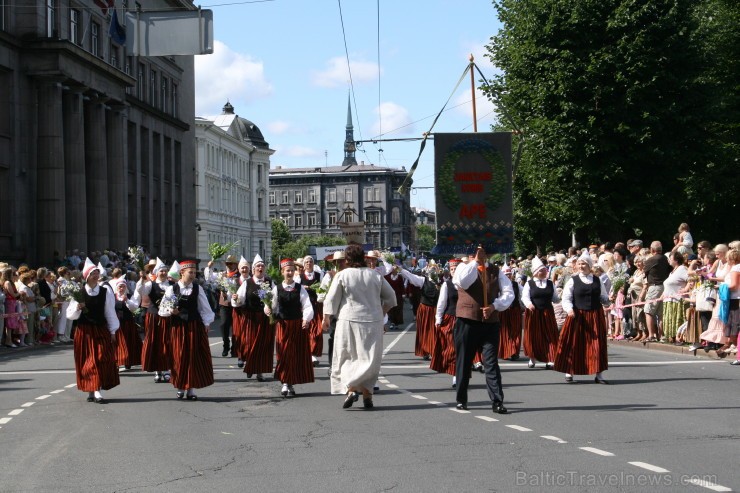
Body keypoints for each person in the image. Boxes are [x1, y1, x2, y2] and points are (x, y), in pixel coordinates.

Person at [322, 244, 397, 409]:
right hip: (373, 321)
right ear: (363, 258)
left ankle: (351, 389)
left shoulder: (343, 275)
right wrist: (381, 311)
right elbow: (391, 297)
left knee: (347, 356)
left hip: (348, 320)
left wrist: (326, 317)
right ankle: (367, 396)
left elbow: (331, 299)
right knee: (370, 358)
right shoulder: (375, 275)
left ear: (348, 259)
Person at [452, 246, 514, 414]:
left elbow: (509, 293)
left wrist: (495, 305)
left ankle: (497, 400)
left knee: (491, 362)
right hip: (467, 320)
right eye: (478, 251)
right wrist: (476, 262)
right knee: (464, 361)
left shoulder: (496, 271)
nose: (482, 254)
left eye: (484, 252)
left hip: (490, 322)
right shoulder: (463, 267)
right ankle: (461, 398)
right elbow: (463, 282)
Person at [159, 260, 215, 400]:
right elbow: (162, 309)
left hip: (193, 326)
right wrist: (171, 310)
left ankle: (190, 389)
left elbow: (205, 307)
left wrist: (207, 322)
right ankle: (180, 386)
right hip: (178, 328)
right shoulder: (172, 289)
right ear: (182, 273)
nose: (193, 275)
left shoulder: (197, 288)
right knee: (179, 356)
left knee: (192, 357)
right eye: (190, 272)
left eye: (195, 272)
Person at [66, 258, 120, 403]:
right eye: (93, 273)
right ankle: (93, 390)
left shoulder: (105, 291)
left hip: (100, 329)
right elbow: (70, 315)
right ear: (87, 276)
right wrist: (77, 308)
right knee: (87, 361)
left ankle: (97, 389)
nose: (96, 276)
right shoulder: (79, 292)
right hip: (84, 331)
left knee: (101, 358)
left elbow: (109, 311)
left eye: (97, 273)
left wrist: (113, 331)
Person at [554, 251, 610, 384]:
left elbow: (603, 296)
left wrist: (607, 301)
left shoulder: (597, 280)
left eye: (583, 263)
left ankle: (599, 374)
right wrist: (569, 310)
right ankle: (569, 371)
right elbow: (566, 298)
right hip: (577, 315)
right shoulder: (573, 280)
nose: (581, 266)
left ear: (590, 265)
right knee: (574, 344)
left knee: (597, 345)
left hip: (595, 315)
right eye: (579, 263)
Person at [264, 258, 314, 398]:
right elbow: (271, 305)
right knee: (283, 353)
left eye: (292, 270)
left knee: (294, 354)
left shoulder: (300, 288)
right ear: (283, 272)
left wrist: (306, 319)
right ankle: (285, 382)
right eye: (287, 270)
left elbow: (307, 305)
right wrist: (267, 309)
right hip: (283, 325)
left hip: (297, 324)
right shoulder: (277, 288)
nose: (290, 273)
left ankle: (290, 381)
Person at [231, 254, 274, 382]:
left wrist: (271, 307)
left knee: (263, 345)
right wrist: (236, 299)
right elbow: (240, 300)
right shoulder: (247, 283)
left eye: (262, 266)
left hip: (265, 318)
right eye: (258, 266)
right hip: (250, 318)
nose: (260, 268)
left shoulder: (270, 282)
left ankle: (260, 371)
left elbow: (275, 297)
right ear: (254, 269)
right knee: (250, 344)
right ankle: (250, 366)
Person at [522, 256, 560, 369]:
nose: (544, 272)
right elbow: (525, 297)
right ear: (536, 272)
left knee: (550, 335)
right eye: (542, 270)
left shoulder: (549, 283)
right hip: (534, 313)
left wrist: (559, 296)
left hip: (547, 313)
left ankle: (550, 358)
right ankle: (532, 357)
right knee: (534, 336)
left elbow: (555, 298)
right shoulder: (529, 284)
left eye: (544, 270)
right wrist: (529, 305)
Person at [139, 259, 173, 383]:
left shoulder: (171, 284)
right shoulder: (150, 284)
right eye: (161, 271)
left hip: (168, 316)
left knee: (167, 341)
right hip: (154, 316)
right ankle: (157, 371)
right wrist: (142, 279)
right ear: (156, 272)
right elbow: (141, 292)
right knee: (155, 342)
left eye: (165, 271)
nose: (163, 273)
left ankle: (166, 369)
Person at [399, 265, 440, 360]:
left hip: (436, 309)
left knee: (436, 331)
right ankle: (425, 350)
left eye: (435, 269)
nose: (433, 271)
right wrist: (400, 269)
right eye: (431, 269)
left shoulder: (442, 281)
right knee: (425, 330)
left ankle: (434, 350)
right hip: (425, 309)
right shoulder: (423, 280)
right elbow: (410, 276)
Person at [433, 258, 461, 388]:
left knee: (461, 348)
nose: (454, 271)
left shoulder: (467, 284)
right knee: (451, 348)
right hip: (450, 318)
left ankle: (459, 374)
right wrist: (438, 319)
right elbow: (441, 303)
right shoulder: (447, 285)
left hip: (464, 319)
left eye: (456, 269)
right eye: (452, 269)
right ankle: (456, 374)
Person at [205, 255, 239, 357]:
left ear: (235, 265)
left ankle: (234, 348)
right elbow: (209, 278)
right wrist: (209, 267)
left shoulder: (239, 276)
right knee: (223, 325)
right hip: (224, 304)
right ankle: (226, 345)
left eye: (231, 263)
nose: (229, 265)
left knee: (236, 327)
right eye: (227, 263)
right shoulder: (222, 275)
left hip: (236, 304)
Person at [319, 251, 346, 373]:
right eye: (339, 261)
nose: (341, 263)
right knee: (334, 337)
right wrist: (326, 315)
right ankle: (332, 365)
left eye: (343, 261)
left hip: (347, 312)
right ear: (335, 263)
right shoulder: (329, 275)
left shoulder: (349, 275)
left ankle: (345, 366)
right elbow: (321, 294)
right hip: (335, 313)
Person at [639, 241, 671, 341]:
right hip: (664, 286)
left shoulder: (651, 260)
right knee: (660, 313)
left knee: (648, 311)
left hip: (654, 287)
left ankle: (651, 335)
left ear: (652, 250)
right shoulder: (665, 258)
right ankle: (661, 336)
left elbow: (644, 272)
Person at [112, 277, 143, 370]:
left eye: (123, 287)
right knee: (117, 342)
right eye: (120, 286)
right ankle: (116, 361)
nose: (121, 288)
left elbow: (134, 308)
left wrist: (127, 300)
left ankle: (128, 361)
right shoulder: (113, 296)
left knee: (128, 341)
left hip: (127, 322)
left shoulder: (129, 296)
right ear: (117, 287)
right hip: (117, 323)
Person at [299, 255, 323, 367]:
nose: (309, 263)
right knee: (307, 331)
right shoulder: (299, 277)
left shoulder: (319, 275)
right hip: (304, 307)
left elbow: (323, 288)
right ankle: (310, 354)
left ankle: (313, 352)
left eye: (310, 262)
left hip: (316, 305)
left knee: (317, 331)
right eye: (307, 262)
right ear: (304, 265)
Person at [498, 265, 523, 361]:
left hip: (515, 310)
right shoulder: (499, 284)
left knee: (516, 331)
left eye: (509, 274)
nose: (508, 276)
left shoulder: (516, 284)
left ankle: (514, 352)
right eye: (506, 275)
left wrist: (523, 306)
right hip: (504, 311)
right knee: (505, 331)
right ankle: (507, 351)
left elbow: (522, 295)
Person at [232, 256, 251, 368]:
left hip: (248, 311)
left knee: (248, 335)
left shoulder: (253, 281)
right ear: (239, 270)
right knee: (239, 334)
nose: (244, 270)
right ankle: (240, 356)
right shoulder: (234, 281)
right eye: (242, 268)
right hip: (238, 312)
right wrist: (233, 297)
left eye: (246, 268)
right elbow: (229, 297)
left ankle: (248, 356)